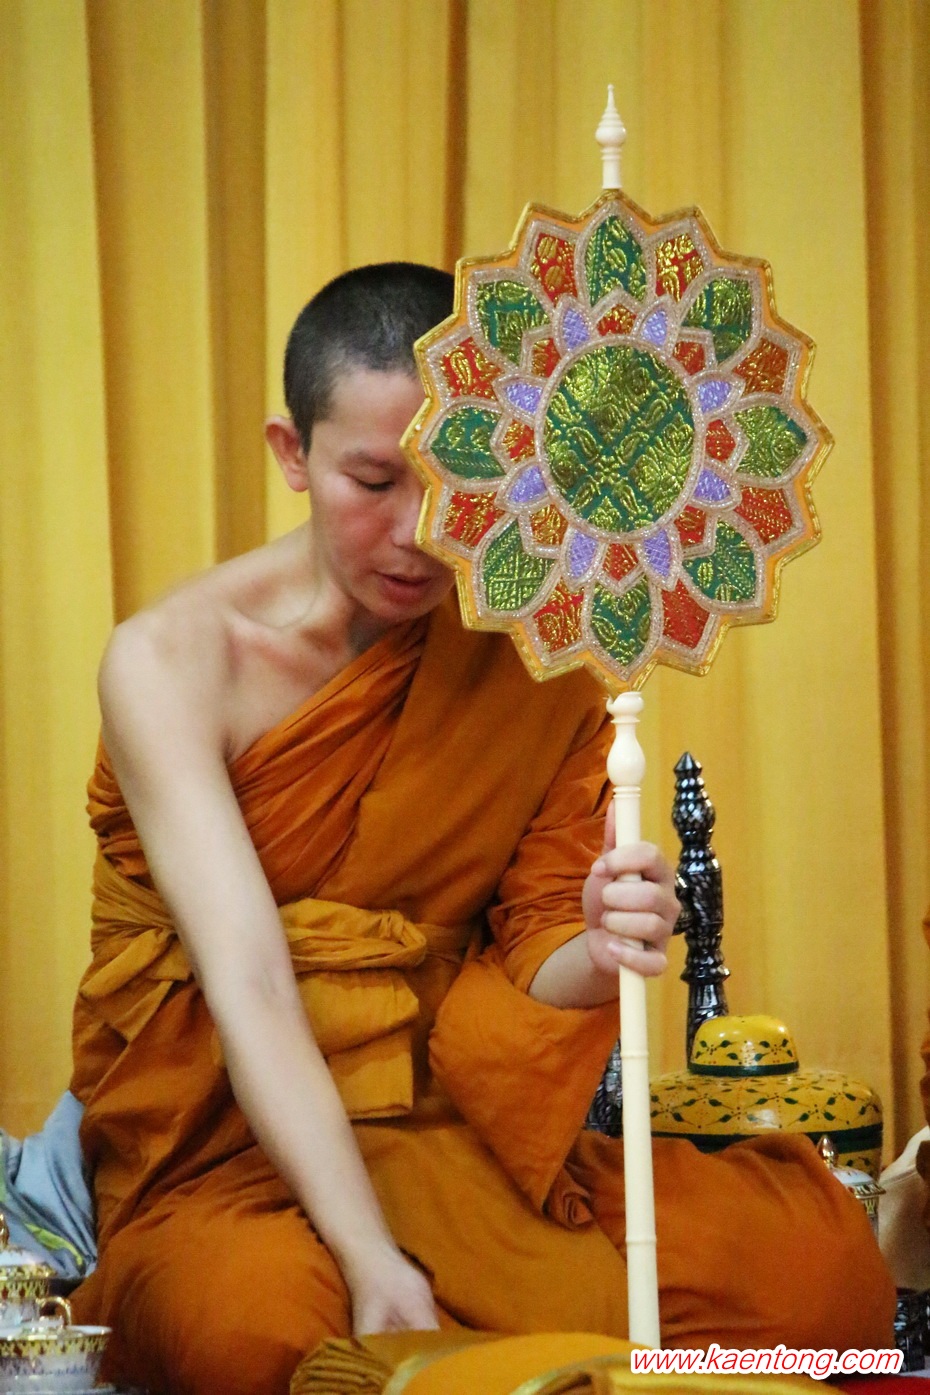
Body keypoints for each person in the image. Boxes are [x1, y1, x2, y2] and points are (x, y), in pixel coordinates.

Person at [68, 263, 895, 1394]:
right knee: (255, 1339)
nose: (419, 533)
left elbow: (533, 953)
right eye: (373, 481)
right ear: (291, 453)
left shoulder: (528, 650)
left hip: (448, 1137)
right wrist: (370, 1261)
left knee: (823, 1276)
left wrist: (596, 944)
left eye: (456, 480)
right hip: (228, 1153)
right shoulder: (170, 663)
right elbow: (248, 980)